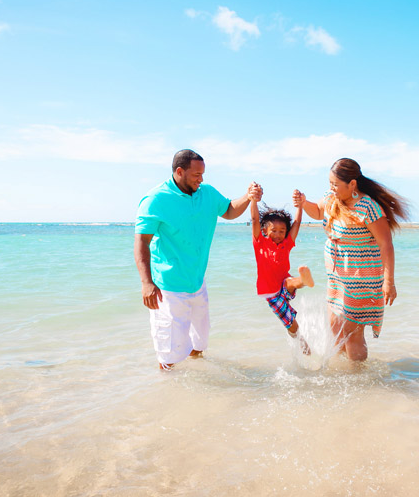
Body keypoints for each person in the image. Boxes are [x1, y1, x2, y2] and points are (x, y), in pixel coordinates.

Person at [134, 149, 261, 370]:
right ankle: (168, 391)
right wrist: (146, 283)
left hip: (197, 282)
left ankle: (197, 385)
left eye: (203, 174)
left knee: (199, 344)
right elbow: (141, 242)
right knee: (169, 356)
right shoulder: (155, 200)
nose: (201, 179)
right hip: (169, 288)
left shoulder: (207, 193)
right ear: (180, 172)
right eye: (196, 175)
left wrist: (248, 197)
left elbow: (230, 211)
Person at [301, 158, 410, 362]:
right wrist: (303, 203)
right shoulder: (331, 198)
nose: (332, 188)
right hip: (337, 276)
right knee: (335, 328)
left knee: (352, 332)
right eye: (330, 183)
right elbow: (317, 211)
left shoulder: (368, 207)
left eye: (335, 184)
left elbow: (386, 245)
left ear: (352, 184)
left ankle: (359, 379)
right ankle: (342, 375)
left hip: (362, 278)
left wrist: (389, 282)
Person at [250, 189, 315, 354]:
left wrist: (300, 206)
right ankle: (304, 347)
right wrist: (253, 201)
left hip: (285, 284)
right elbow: (255, 219)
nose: (278, 235)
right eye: (274, 231)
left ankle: (304, 280)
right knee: (292, 325)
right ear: (265, 231)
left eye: (282, 231)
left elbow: (297, 224)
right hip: (271, 294)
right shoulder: (260, 243)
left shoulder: (287, 244)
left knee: (290, 281)